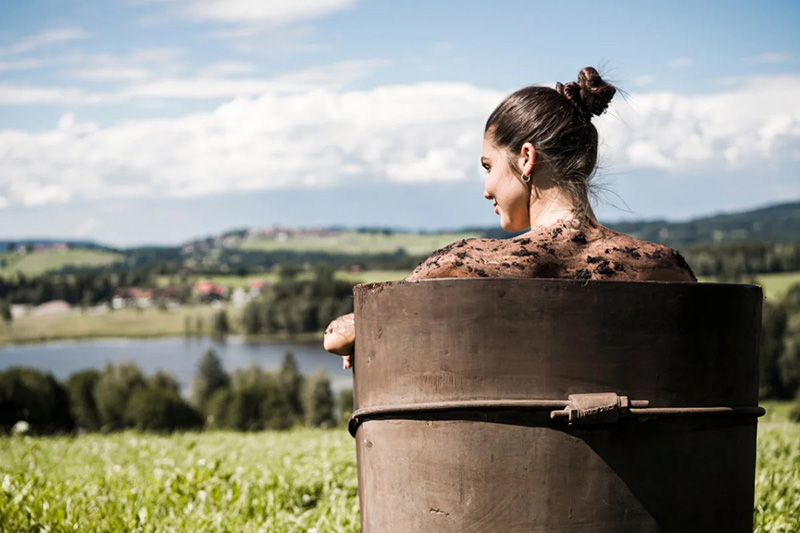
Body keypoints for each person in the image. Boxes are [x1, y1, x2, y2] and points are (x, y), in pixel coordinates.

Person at [324, 67, 697, 368]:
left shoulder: (465, 262)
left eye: (488, 166)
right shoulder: (666, 267)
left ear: (526, 158)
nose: (487, 188)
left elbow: (337, 337)